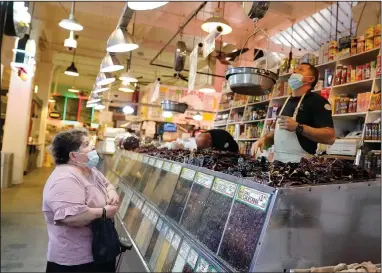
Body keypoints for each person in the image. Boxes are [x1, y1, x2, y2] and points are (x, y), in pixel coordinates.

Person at [42, 128, 120, 272]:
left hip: (98, 254)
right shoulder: (64, 179)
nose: (92, 147)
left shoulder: (89, 170)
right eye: (86, 145)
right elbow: (72, 218)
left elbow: (106, 183)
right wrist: (103, 212)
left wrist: (111, 192)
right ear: (73, 155)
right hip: (76, 262)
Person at [251, 63, 335, 163]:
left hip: (301, 166)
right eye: (295, 69)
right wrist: (264, 139)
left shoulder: (317, 102)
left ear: (310, 79)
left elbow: (330, 137)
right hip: (277, 164)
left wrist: (298, 127)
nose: (295, 71)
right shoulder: (285, 103)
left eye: (301, 69)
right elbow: (280, 133)